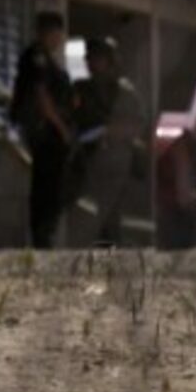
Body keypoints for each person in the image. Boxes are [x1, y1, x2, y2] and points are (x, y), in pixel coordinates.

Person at [66, 36, 148, 246]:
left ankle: (110, 249)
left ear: (110, 61)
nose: (93, 63)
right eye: (90, 58)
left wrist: (112, 131)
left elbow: (137, 124)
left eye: (99, 58)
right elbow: (73, 120)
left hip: (114, 156)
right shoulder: (81, 89)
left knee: (109, 209)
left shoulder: (123, 90)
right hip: (86, 156)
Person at [11, 11, 73, 249]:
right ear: (49, 33)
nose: (59, 39)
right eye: (57, 33)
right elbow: (41, 96)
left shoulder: (48, 60)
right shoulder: (36, 57)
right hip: (45, 131)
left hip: (50, 130)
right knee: (46, 185)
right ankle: (42, 239)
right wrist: (61, 127)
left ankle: (45, 238)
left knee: (52, 185)